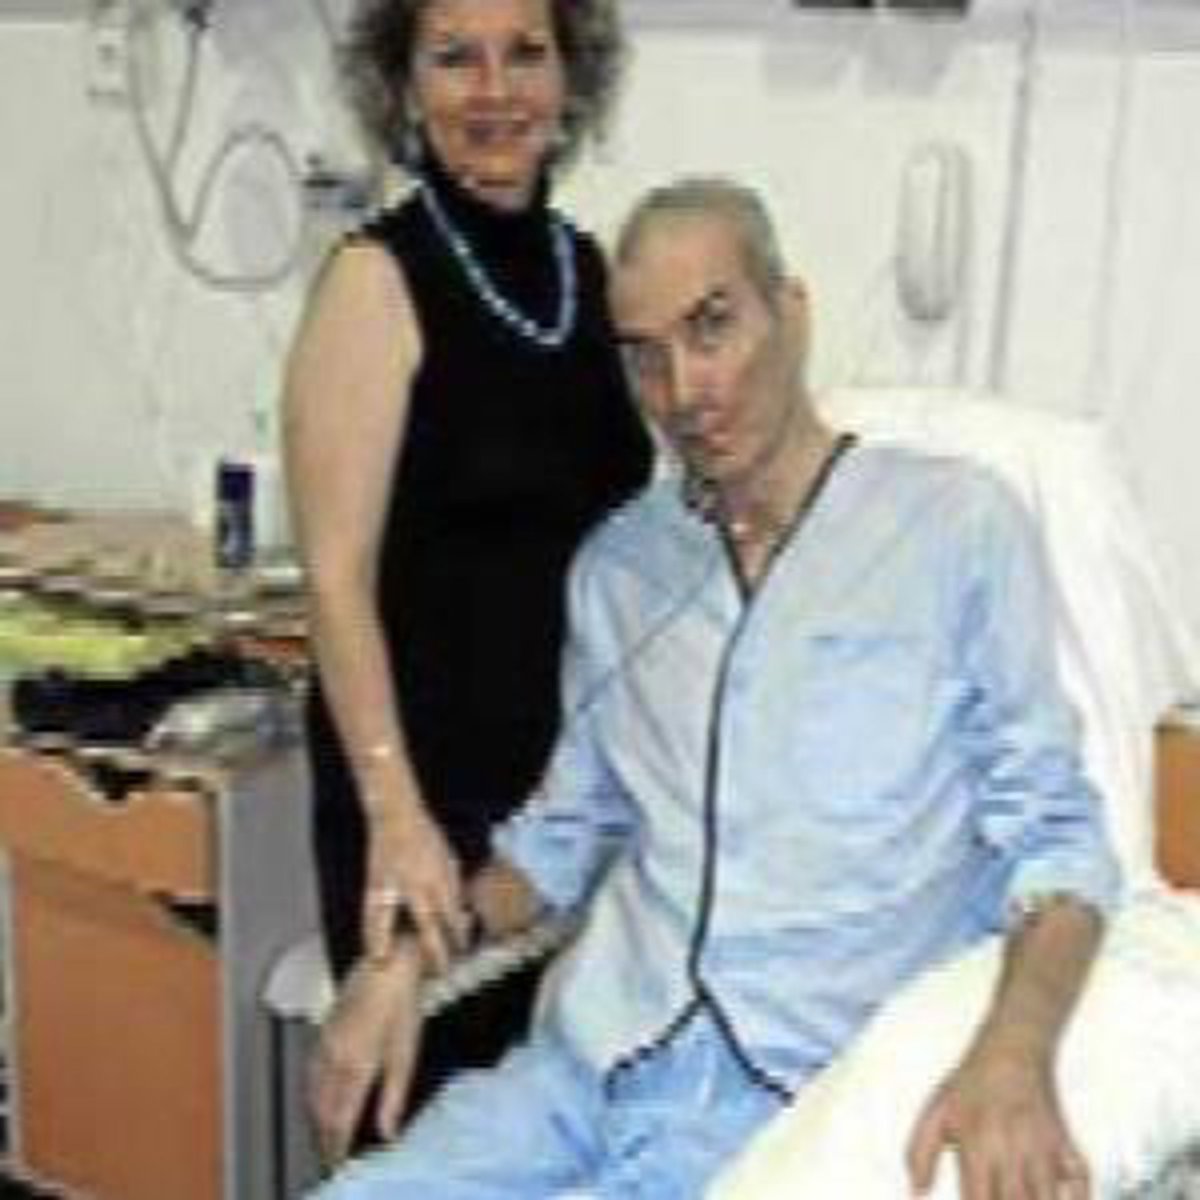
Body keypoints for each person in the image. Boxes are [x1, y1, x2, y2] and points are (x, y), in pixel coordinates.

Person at [307, 177, 1121, 1200]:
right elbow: (561, 836)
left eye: (713, 327)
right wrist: (406, 962)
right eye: (644, 355)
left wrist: (1014, 1056)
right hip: (590, 1068)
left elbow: (1058, 843)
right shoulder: (620, 569)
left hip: (781, 1097)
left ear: (793, 313)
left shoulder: (955, 530)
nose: (684, 391)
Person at [282, 0, 652, 1143]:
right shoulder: (375, 281)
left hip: (554, 794)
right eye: (455, 58)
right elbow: (335, 581)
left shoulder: (584, 271)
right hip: (416, 782)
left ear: (570, 76)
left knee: (539, 1119)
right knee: (424, 1113)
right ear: (404, 86)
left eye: (525, 53)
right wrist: (397, 816)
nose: (495, 91)